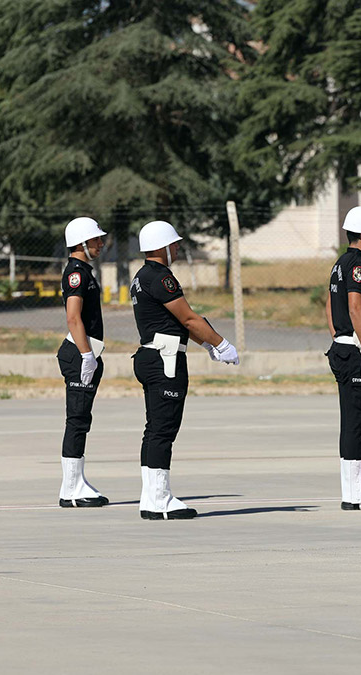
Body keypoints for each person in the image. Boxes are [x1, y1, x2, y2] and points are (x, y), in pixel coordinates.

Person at [131, 220, 239, 520]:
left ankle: (151, 496)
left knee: (154, 429)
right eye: (174, 244)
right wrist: (221, 343)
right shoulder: (162, 278)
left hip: (151, 355)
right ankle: (160, 498)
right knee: (164, 429)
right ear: (162, 247)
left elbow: (177, 322)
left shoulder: (141, 276)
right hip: (165, 360)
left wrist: (207, 345)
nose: (177, 248)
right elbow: (189, 319)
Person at [325, 206, 361, 511]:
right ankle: (355, 492)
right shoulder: (359, 266)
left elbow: (330, 306)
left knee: (351, 419)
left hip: (342, 345)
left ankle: (352, 488)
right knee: (358, 421)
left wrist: (338, 337)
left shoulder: (339, 264)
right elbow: (356, 307)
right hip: (355, 349)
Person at [56, 217, 110, 508]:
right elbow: (73, 317)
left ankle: (77, 481)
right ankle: (70, 488)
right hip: (79, 353)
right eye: (96, 240)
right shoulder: (76, 274)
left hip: (85, 351)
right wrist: (86, 355)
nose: (101, 244)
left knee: (82, 420)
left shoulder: (84, 271)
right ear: (81, 243)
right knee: (76, 420)